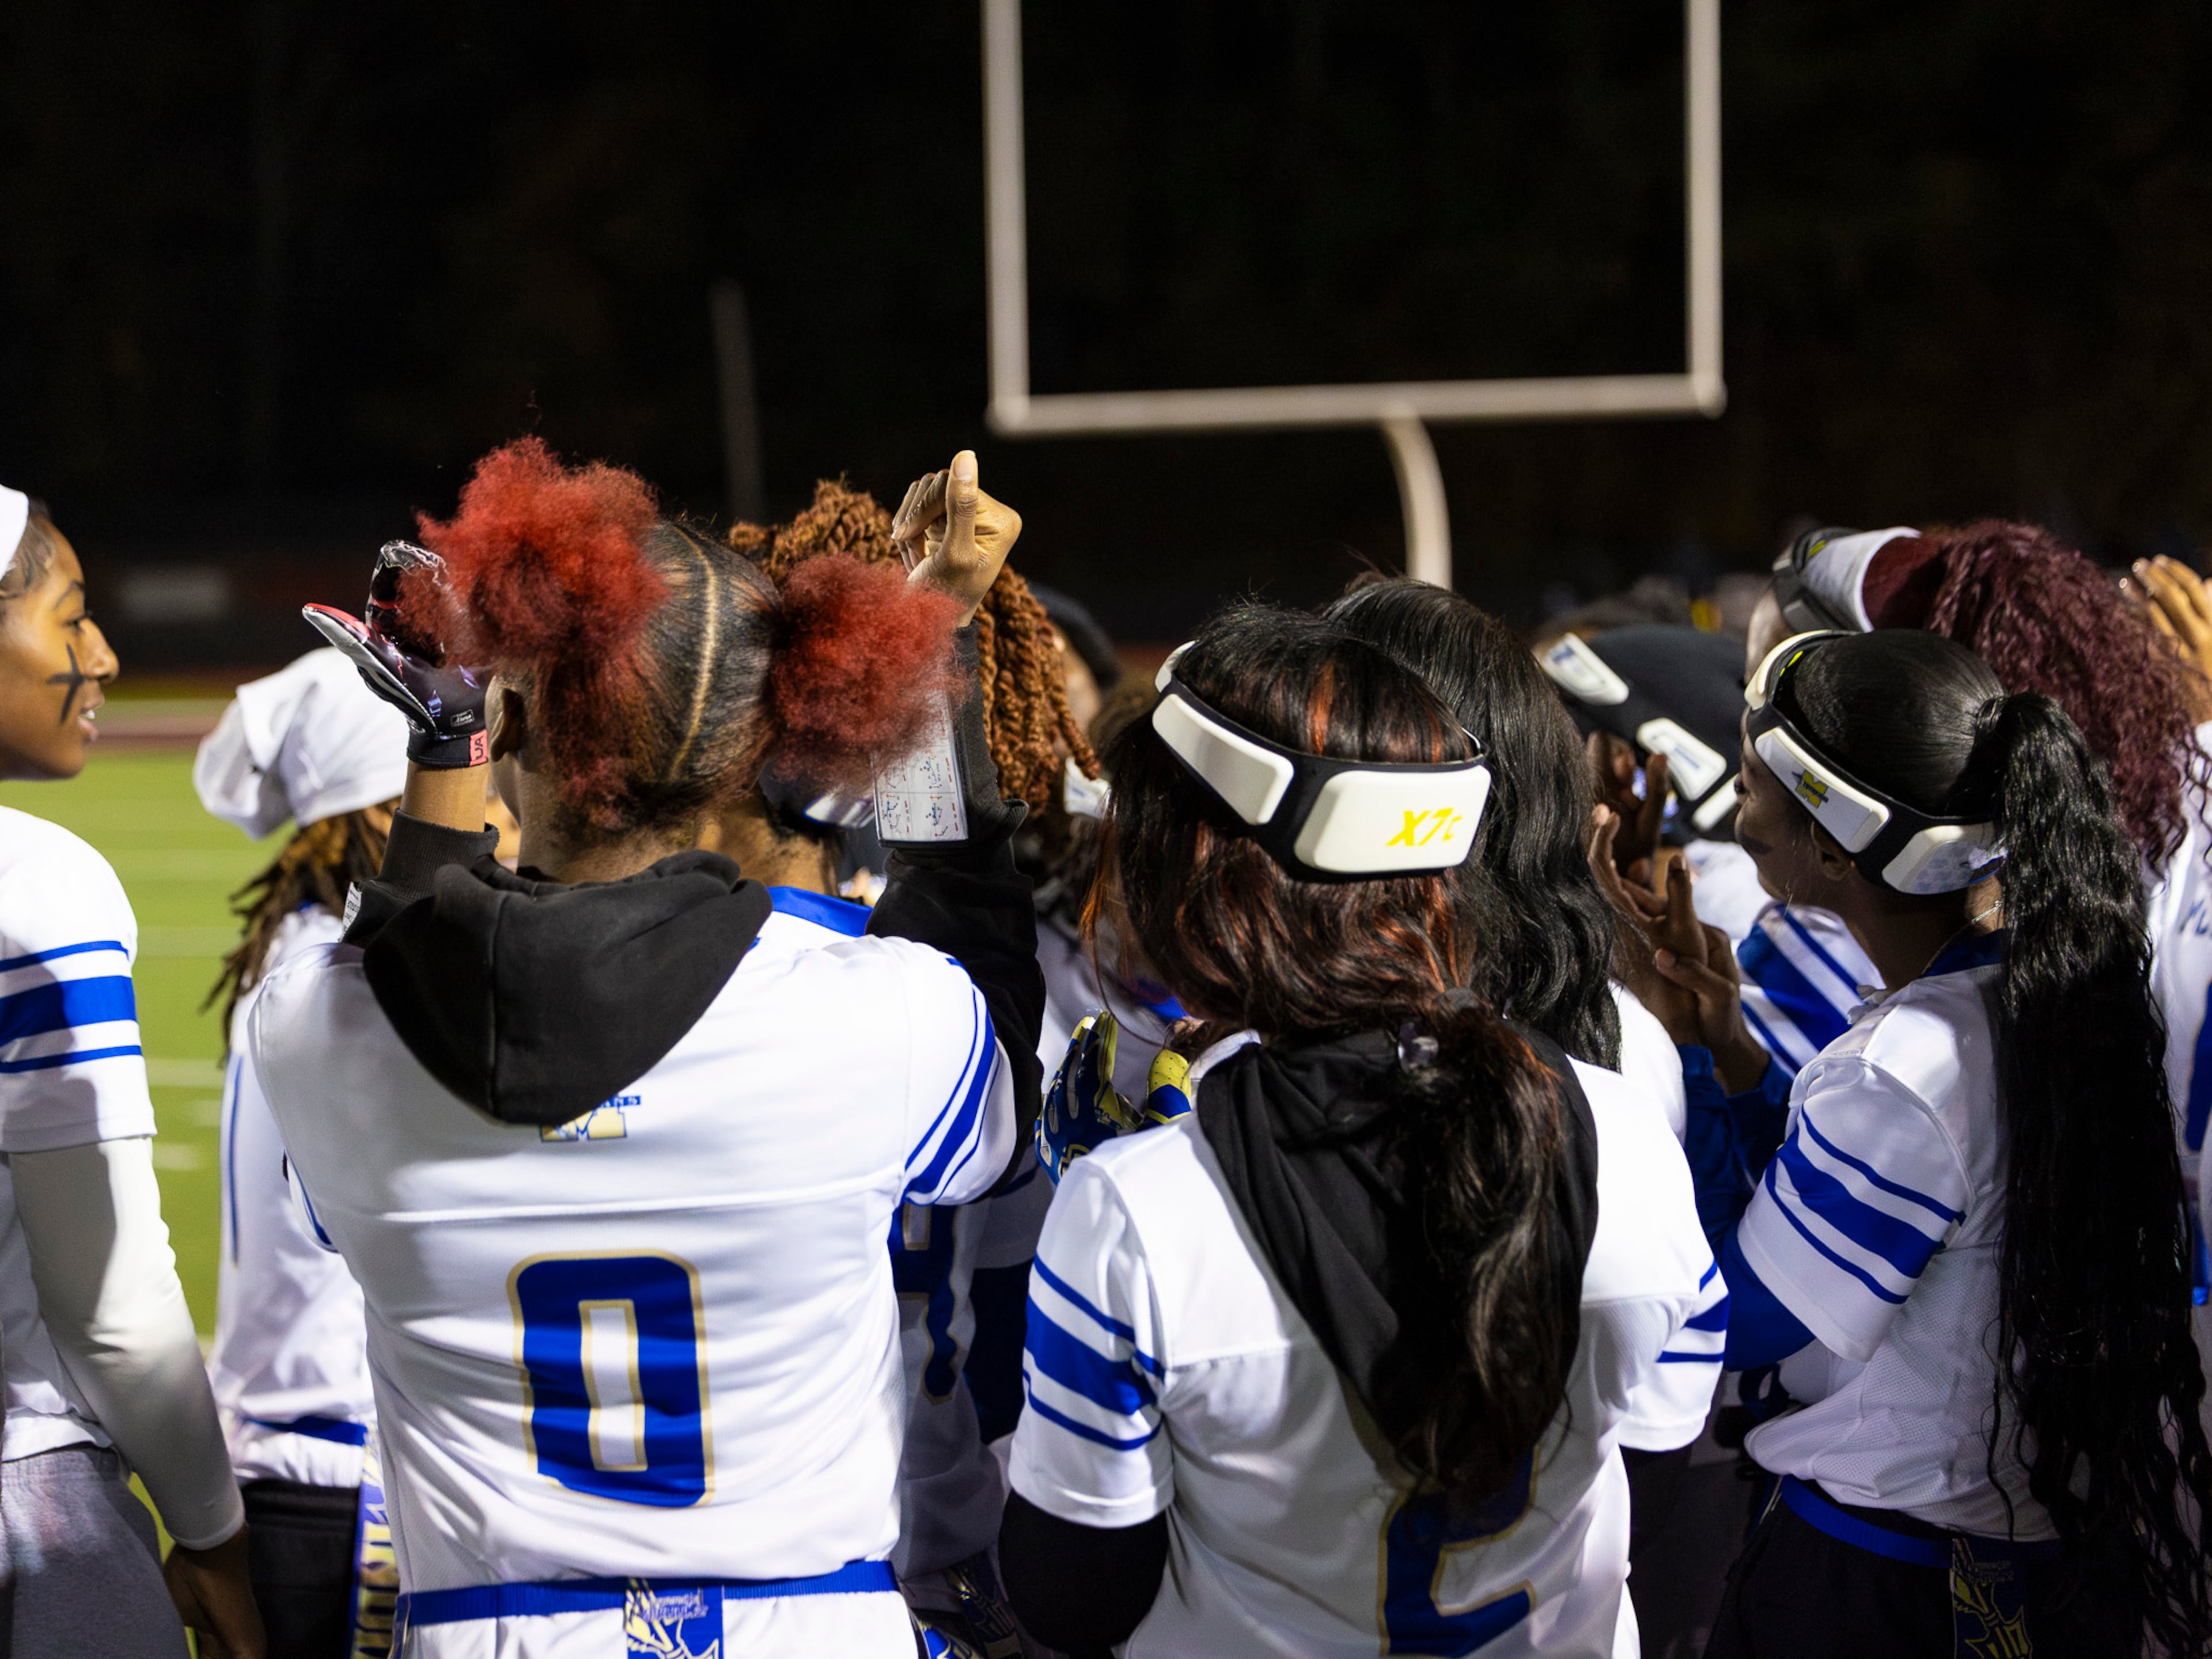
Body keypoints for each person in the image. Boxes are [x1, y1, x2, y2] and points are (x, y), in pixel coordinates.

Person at [256, 439, 1044, 1657]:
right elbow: (979, 978)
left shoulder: (324, 1025)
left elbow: (409, 952)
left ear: (509, 718)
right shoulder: (879, 1017)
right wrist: (926, 653)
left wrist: (444, 746)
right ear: (776, 740)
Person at [999, 605, 1721, 1657]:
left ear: (1191, 873)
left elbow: (1072, 1596)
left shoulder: (1141, 1210)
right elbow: (1647, 1476)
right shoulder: (1622, 1133)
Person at [1639, 627, 2211, 1656]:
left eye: (1758, 770)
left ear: (1833, 838)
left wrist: (1678, 1057)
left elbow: (1745, 1319)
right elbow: (1871, 1216)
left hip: (1885, 1583)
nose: (1736, 798)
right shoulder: (2035, 996)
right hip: (2032, 1568)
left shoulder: (1905, 1064)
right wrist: (1731, 1048)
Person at [0, 486, 264, 1657]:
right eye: (69, 618)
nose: (102, 656)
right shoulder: (34, 890)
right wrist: (211, 1531)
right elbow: (109, 1303)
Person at [194, 646, 408, 1657]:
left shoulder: (299, 956)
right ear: (376, 812)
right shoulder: (350, 979)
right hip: (332, 1483)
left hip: (285, 1466)